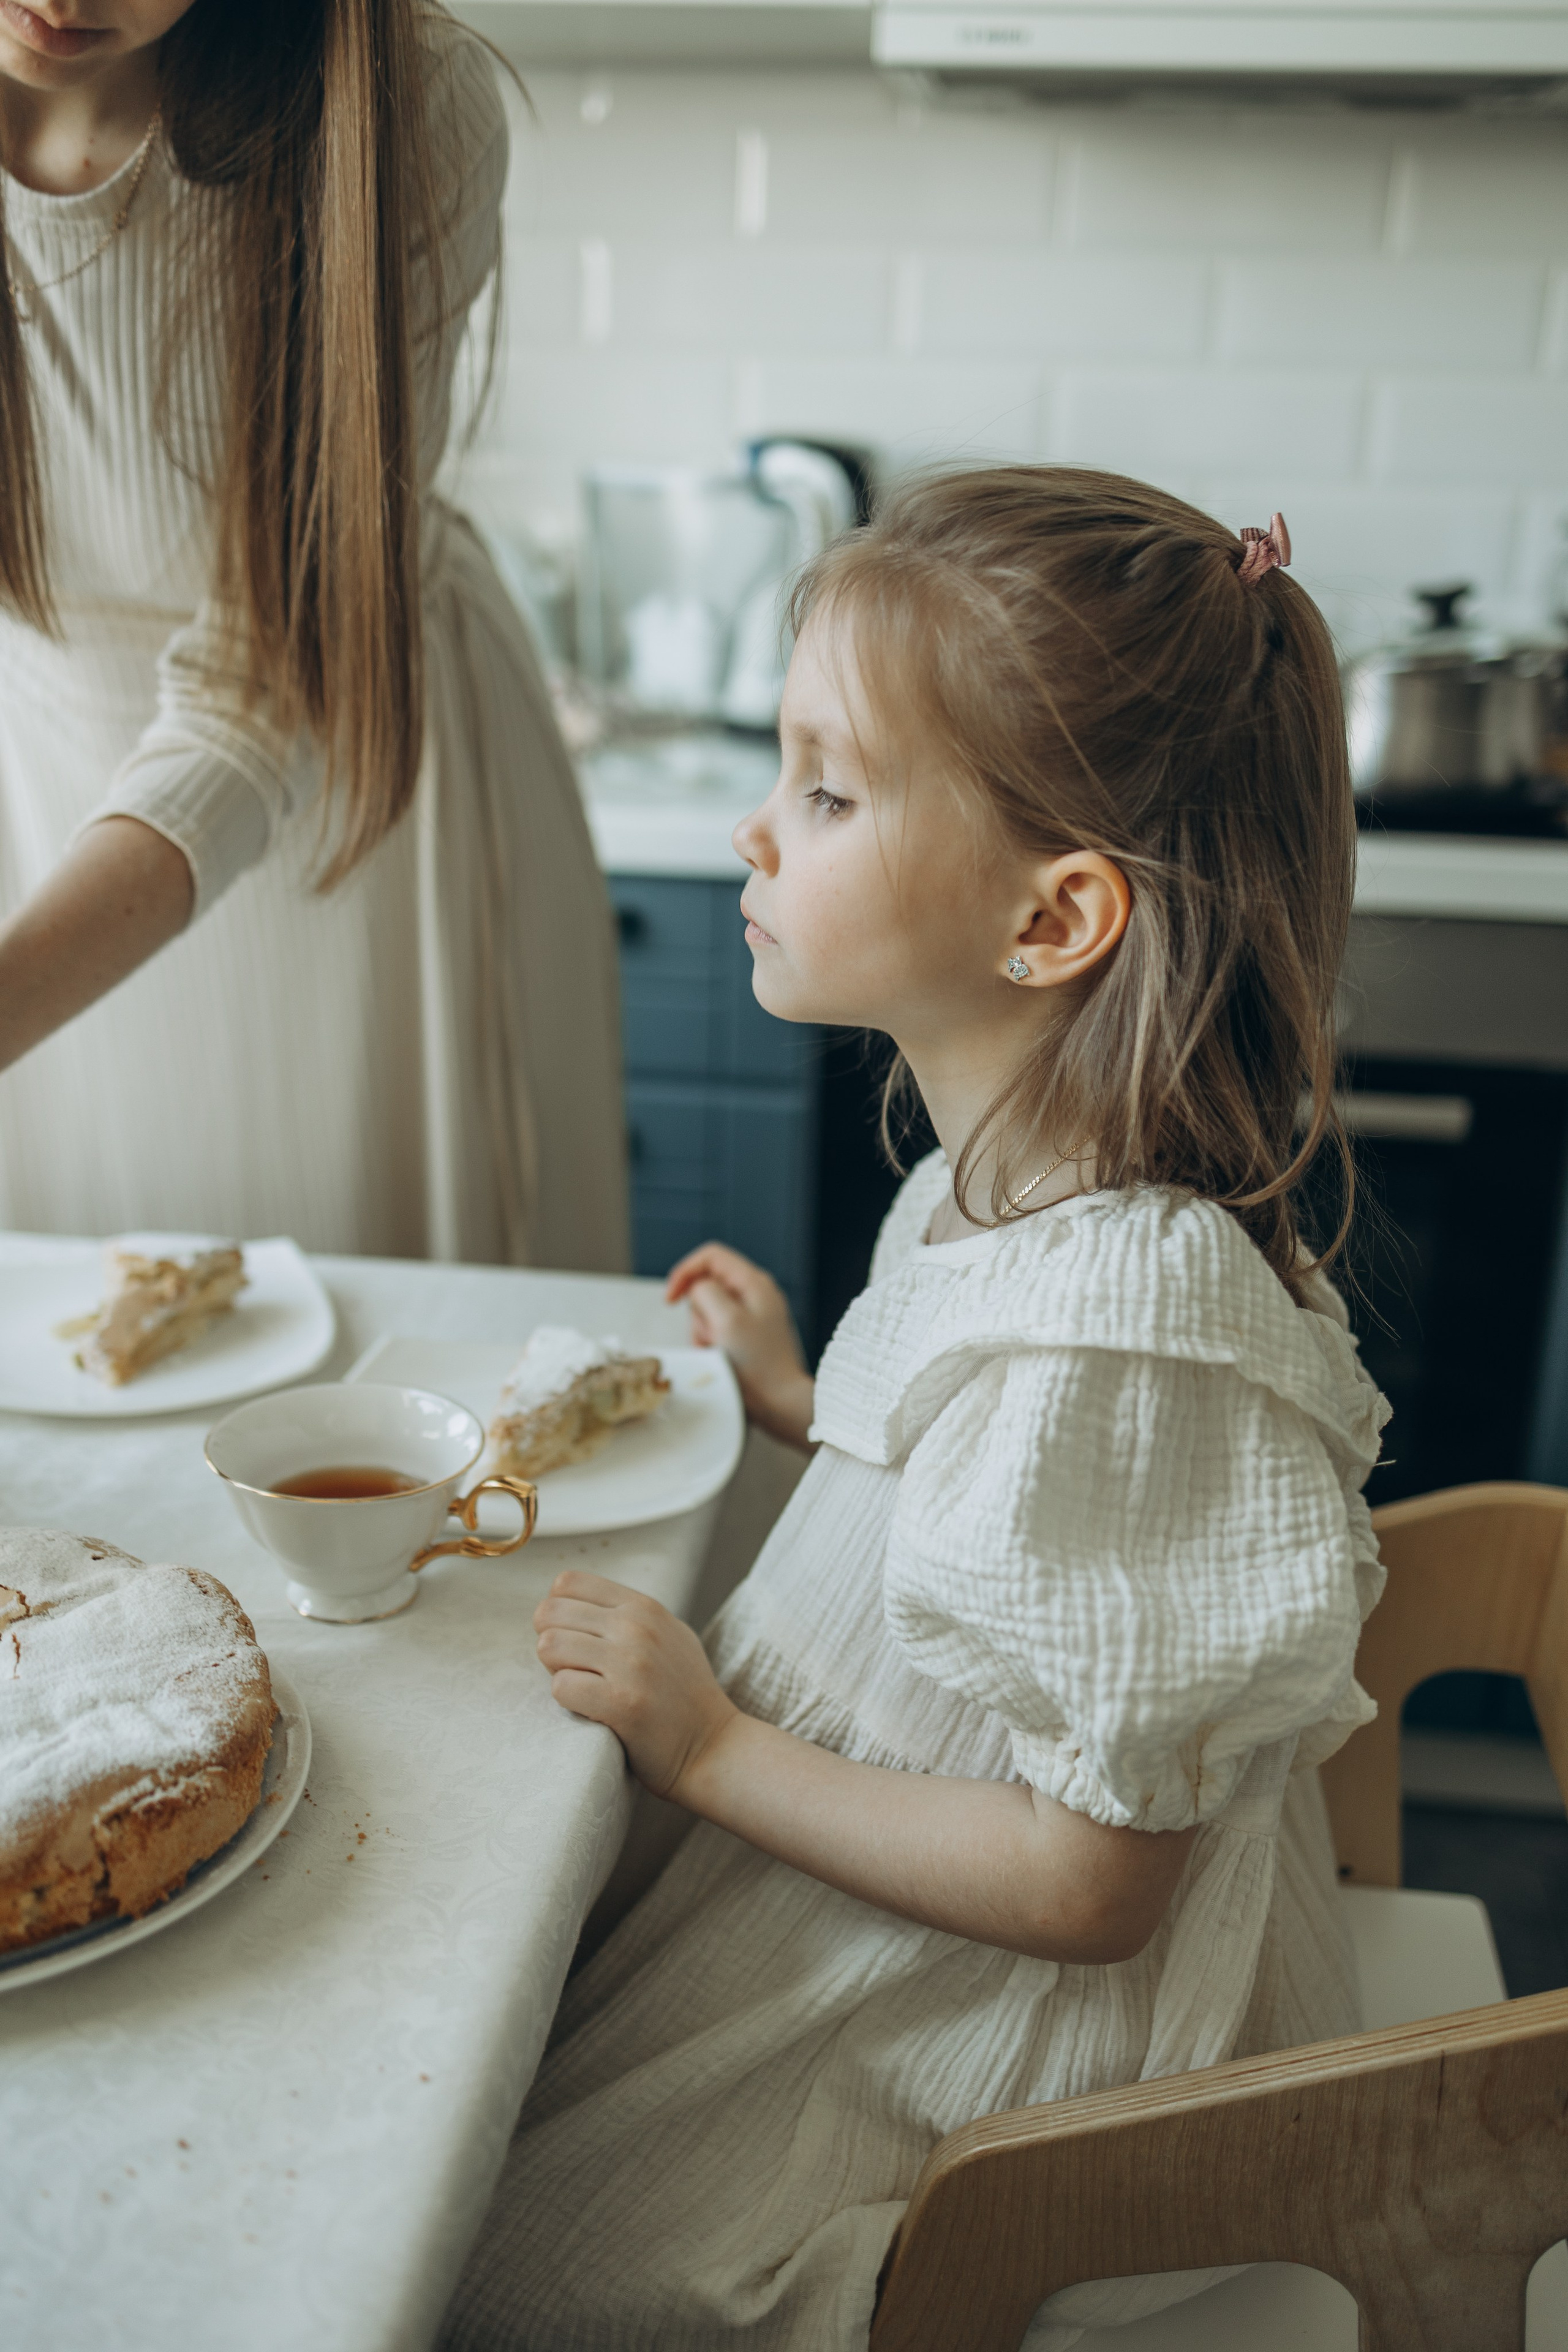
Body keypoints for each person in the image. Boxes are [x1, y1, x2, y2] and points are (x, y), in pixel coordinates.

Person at [439, 469, 1389, 2350]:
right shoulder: (1014, 1176)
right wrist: (815, 1409)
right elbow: (1000, 1523)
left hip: (1031, 2074)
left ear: (1053, 923)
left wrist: (704, 1751)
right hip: (911, 1918)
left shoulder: (1120, 1348)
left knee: (528, 2258)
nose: (754, 829)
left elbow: (1093, 1879)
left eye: (827, 787)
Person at [0, 0, 627, 1267]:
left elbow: (268, 676)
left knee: (392, 1390)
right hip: (39, 803)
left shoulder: (401, 102)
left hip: (362, 798)